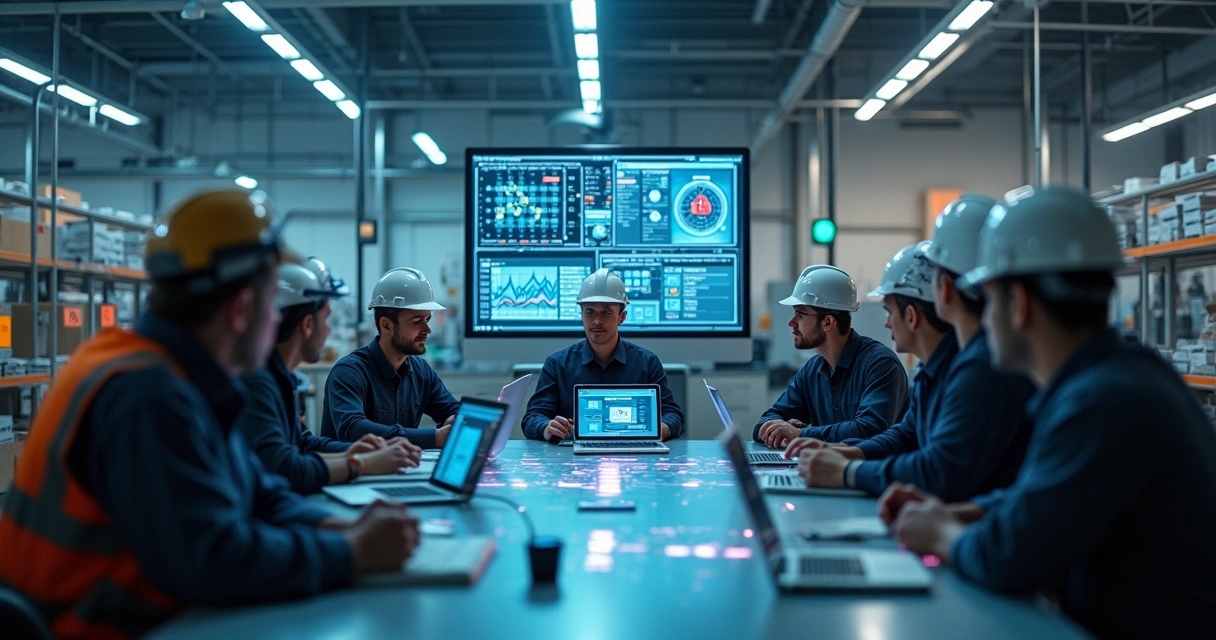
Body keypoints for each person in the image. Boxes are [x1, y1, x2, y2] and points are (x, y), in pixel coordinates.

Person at [0, 191, 420, 639]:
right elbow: (214, 560)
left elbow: (258, 492)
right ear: (242, 310)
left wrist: (344, 527)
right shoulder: (147, 395)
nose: (277, 324)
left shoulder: (181, 378)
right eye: (272, 307)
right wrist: (352, 552)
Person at [883, 188, 1216, 639]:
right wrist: (960, 512)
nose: (984, 319)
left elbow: (1006, 558)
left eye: (989, 300)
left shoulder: (1100, 403)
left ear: (1018, 304)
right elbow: (1045, 497)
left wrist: (941, 534)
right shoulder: (1121, 375)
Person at [789, 196, 1035, 501]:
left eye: (889, 312)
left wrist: (847, 472)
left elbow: (941, 469)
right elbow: (907, 434)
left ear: (944, 290)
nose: (886, 323)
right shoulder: (943, 365)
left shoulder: (980, 366)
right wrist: (848, 452)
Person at [239, 260, 422, 494]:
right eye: (326, 320)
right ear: (307, 324)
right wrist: (360, 464)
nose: (327, 331)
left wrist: (354, 452)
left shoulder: (278, 380)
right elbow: (284, 468)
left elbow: (303, 443)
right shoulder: (258, 384)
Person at [755, 265, 909, 448]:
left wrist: (802, 434)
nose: (791, 323)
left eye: (800, 314)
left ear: (827, 322)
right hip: (829, 465)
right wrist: (778, 428)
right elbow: (765, 422)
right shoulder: (812, 370)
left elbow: (871, 429)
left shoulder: (880, 364)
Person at [522, 268, 684, 442]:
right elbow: (533, 417)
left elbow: (672, 414)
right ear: (582, 315)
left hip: (634, 453)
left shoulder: (647, 363)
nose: (596, 321)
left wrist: (663, 429)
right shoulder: (557, 364)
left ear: (622, 317)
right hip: (571, 455)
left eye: (606, 312)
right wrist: (546, 427)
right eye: (590, 312)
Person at [320, 267, 460, 448]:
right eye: (417, 321)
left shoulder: (421, 371)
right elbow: (353, 429)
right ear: (386, 325)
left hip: (400, 465)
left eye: (427, 320)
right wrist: (434, 437)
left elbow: (452, 411)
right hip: (354, 466)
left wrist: (456, 421)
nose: (427, 330)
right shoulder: (348, 373)